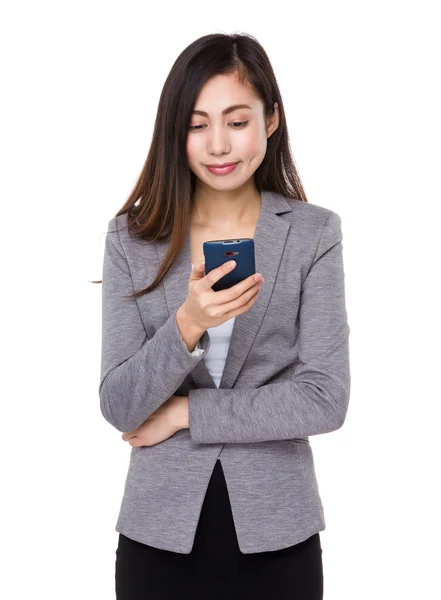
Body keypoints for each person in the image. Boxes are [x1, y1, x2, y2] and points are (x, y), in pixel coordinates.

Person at [99, 32, 351, 600]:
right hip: (158, 535)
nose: (218, 144)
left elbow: (325, 398)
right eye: (196, 124)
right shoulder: (130, 239)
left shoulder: (314, 235)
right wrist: (187, 322)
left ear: (270, 121)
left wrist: (187, 412)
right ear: (176, 131)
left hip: (278, 534)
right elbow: (119, 405)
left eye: (237, 121)